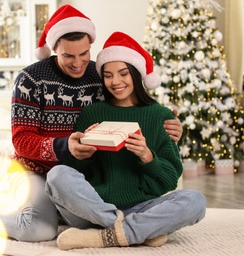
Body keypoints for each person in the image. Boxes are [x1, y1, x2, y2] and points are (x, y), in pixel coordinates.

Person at [0, 5, 183, 242]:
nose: (77, 63)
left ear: (91, 46)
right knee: (37, 229)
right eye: (68, 56)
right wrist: (64, 147)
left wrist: (167, 121)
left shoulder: (101, 74)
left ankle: (105, 224)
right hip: (36, 170)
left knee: (84, 211)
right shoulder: (30, 79)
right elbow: (21, 141)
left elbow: (128, 104)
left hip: (82, 174)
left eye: (84, 54)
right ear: (54, 48)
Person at [45, 31, 207, 250]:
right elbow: (73, 172)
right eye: (108, 75)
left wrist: (148, 157)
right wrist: (85, 152)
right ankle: (138, 230)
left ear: (136, 73)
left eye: (123, 74)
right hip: (92, 209)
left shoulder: (160, 116)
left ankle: (105, 236)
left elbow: (169, 180)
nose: (116, 82)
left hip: (142, 206)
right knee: (57, 175)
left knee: (195, 201)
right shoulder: (92, 113)